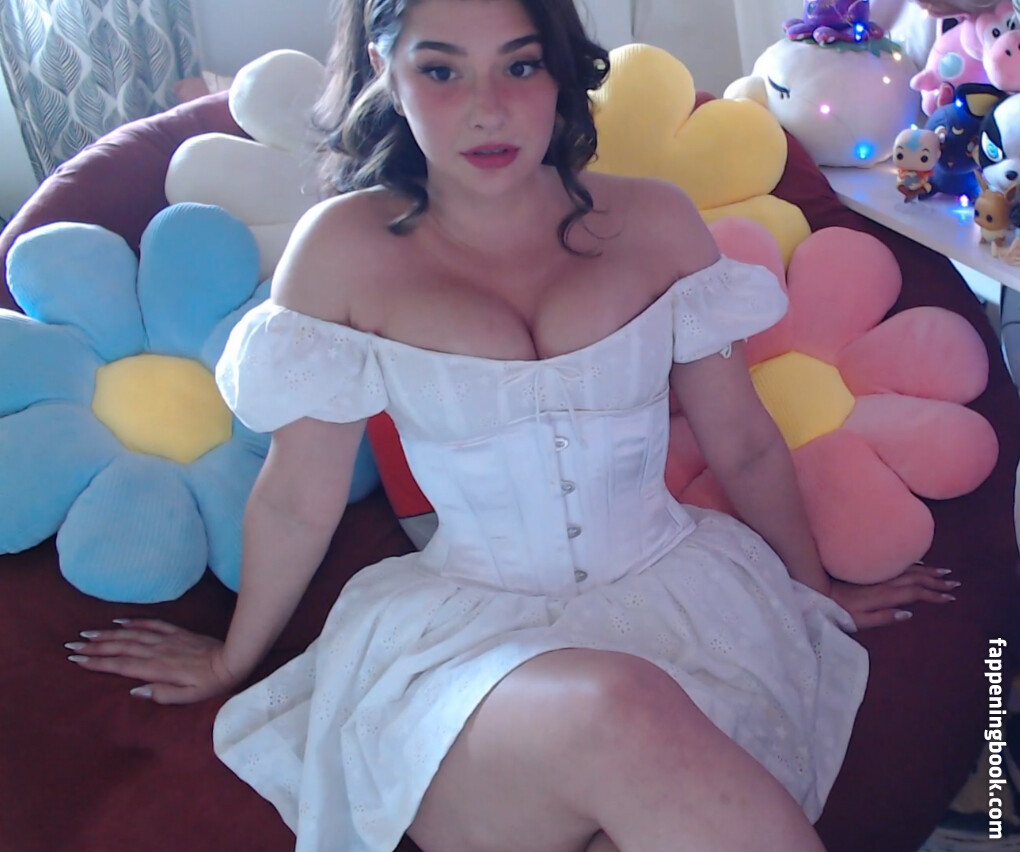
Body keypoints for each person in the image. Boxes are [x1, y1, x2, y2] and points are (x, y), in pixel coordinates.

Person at [68, 1, 961, 850]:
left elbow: (746, 441)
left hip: (685, 604)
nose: (487, 109)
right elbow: (298, 496)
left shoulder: (654, 222)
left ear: (560, 70)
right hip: (469, 650)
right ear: (387, 71)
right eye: (441, 70)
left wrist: (814, 591)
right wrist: (233, 660)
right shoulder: (343, 250)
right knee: (618, 708)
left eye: (520, 66)